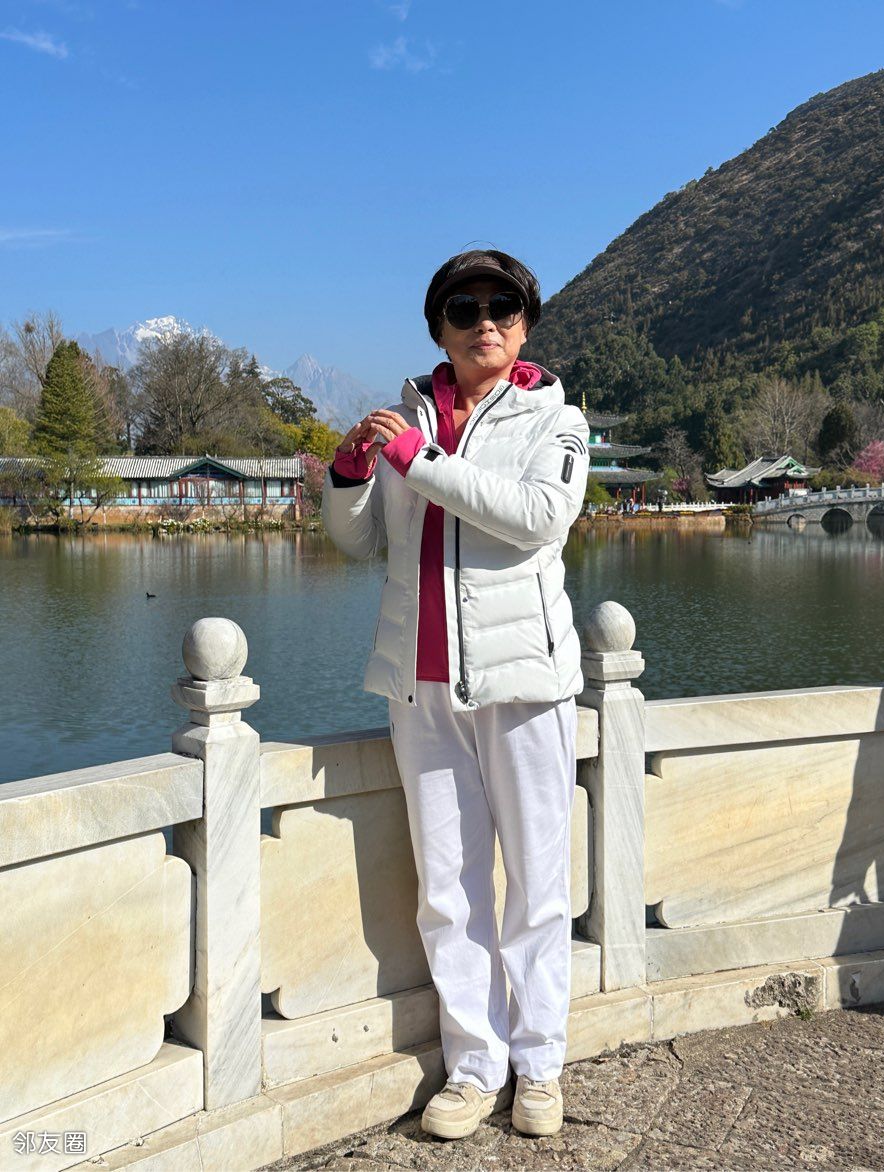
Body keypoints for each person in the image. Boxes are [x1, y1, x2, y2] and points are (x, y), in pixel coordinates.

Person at [322, 249, 590, 1140]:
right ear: (439, 327)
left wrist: (419, 458)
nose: (485, 323)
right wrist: (352, 476)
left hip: (524, 682)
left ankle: (540, 1064)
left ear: (526, 324)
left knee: (538, 886)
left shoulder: (557, 421)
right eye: (465, 309)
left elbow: (537, 518)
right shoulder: (406, 419)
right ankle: (475, 1068)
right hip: (420, 685)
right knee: (448, 890)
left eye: (503, 307)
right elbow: (360, 543)